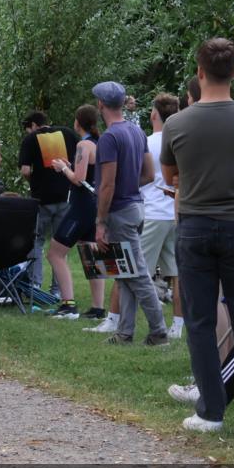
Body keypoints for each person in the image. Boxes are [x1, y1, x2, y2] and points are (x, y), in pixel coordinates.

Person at [161, 37, 234, 434]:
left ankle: (211, 411)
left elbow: (169, 177)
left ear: (200, 72)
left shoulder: (176, 123)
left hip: (194, 225)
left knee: (200, 321)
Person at [92, 80, 168, 346]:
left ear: (100, 104)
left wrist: (100, 222)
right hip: (137, 207)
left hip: (120, 211)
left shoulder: (109, 137)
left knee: (136, 275)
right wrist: (127, 185)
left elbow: (107, 184)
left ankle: (159, 331)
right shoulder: (136, 131)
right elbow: (148, 174)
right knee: (123, 273)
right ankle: (125, 333)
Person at [47, 104, 107, 320]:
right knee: (91, 253)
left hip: (81, 205)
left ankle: (68, 304)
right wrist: (68, 165)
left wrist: (63, 169)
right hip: (95, 204)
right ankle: (98, 307)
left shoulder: (83, 144)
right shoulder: (100, 142)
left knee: (55, 253)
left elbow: (79, 179)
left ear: (77, 122)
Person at [18, 111, 78, 297]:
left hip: (41, 199)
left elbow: (26, 170)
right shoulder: (68, 133)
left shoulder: (30, 139)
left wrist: (33, 181)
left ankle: (34, 287)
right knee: (60, 246)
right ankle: (58, 291)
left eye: (28, 128)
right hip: (65, 196)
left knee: (36, 241)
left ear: (34, 125)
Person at [140, 93, 184, 338]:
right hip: (175, 212)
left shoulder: (147, 142)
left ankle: (144, 321)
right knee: (177, 273)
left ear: (154, 113)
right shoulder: (180, 140)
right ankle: (178, 326)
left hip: (153, 212)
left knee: (139, 271)